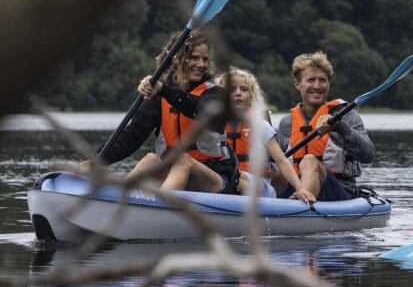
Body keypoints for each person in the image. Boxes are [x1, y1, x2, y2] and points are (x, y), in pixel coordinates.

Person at [91, 30, 236, 193]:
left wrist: (163, 90)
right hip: (173, 177)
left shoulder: (217, 95)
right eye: (194, 58)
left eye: (205, 59)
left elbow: (197, 109)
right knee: (151, 159)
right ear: (175, 58)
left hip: (214, 180)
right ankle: (118, 201)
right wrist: (95, 160)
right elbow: (130, 138)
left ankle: (160, 206)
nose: (201, 64)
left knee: (182, 160)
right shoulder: (158, 99)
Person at [277, 51, 375, 201]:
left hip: (337, 190)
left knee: (310, 160)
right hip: (295, 187)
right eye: (310, 80)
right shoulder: (286, 123)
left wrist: (339, 127)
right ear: (297, 84)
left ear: (328, 84)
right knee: (273, 172)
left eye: (322, 80)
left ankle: (298, 207)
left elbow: (368, 155)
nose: (317, 86)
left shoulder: (346, 115)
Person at [215, 68, 315, 203]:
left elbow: (282, 161)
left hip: (261, 187)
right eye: (232, 89)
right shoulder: (214, 126)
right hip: (229, 181)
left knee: (232, 177)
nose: (238, 93)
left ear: (251, 96)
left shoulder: (260, 125)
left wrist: (300, 188)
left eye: (244, 90)